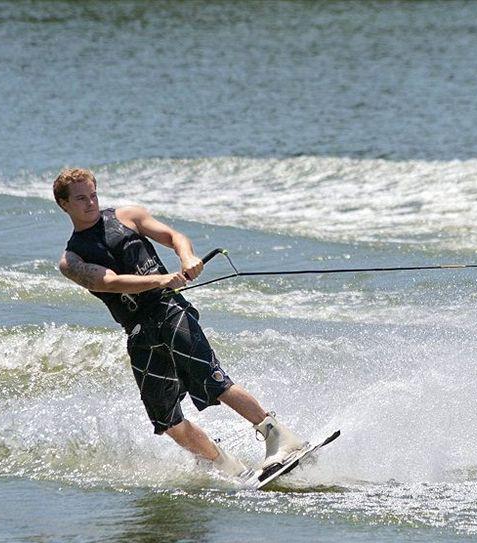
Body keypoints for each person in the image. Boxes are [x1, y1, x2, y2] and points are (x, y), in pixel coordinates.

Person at [53, 167, 305, 477]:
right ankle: (227, 467)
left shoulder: (127, 216)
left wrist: (187, 258)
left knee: (213, 379)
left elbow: (174, 237)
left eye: (93, 195)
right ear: (63, 204)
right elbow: (111, 282)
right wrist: (161, 279)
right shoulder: (71, 260)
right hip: (138, 332)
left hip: (170, 311)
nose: (90, 202)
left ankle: (280, 438)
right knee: (166, 420)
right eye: (80, 198)